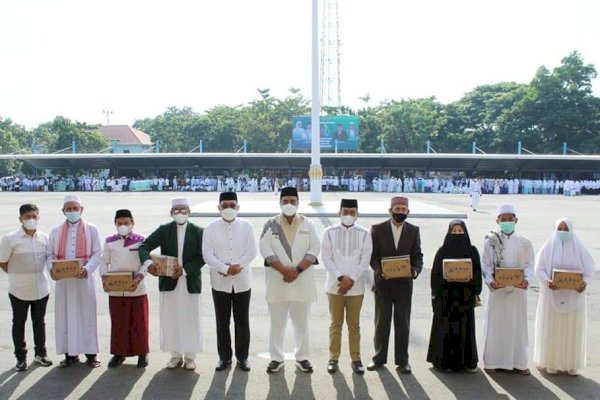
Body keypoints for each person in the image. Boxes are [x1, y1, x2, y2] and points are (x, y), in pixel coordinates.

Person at [259, 186, 320, 374]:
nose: (289, 204)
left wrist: (297, 270)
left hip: (302, 281)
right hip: (278, 280)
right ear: (279, 203)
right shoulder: (270, 224)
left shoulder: (308, 224)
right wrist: (284, 270)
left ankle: (302, 357)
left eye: (293, 201)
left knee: (301, 324)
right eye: (285, 201)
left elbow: (315, 248)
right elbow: (265, 249)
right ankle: (276, 358)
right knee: (277, 323)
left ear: (298, 203)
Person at [138, 198, 204, 370]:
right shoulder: (164, 230)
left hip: (189, 280)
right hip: (169, 281)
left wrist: (185, 270)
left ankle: (190, 357)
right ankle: (175, 355)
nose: (180, 213)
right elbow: (144, 247)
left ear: (189, 211)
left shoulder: (198, 231)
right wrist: (149, 265)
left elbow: (202, 256)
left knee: (190, 318)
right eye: (176, 210)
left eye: (183, 210)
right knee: (171, 318)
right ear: (171, 212)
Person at [533, 218, 596, 376]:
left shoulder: (579, 248)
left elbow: (590, 269)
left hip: (574, 296)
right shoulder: (549, 247)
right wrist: (547, 281)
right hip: (552, 295)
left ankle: (571, 364)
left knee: (572, 330)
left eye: (565, 229)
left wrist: (584, 284)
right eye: (559, 228)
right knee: (553, 329)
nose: (562, 232)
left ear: (571, 230)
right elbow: (539, 268)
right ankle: (551, 362)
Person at [202, 192, 257, 372]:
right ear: (219, 208)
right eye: (224, 205)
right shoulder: (210, 228)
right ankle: (224, 358)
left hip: (242, 282)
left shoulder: (247, 226)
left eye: (232, 205)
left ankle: (243, 358)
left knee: (242, 321)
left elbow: (252, 251)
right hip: (219, 282)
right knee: (222, 322)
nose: (228, 208)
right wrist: (225, 269)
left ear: (238, 207)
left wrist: (237, 266)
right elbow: (207, 255)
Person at [367, 196, 423, 373]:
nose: (400, 212)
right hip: (383, 284)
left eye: (403, 210)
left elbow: (417, 256)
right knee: (381, 323)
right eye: (396, 209)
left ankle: (402, 361)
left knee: (403, 324)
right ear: (389, 210)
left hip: (404, 286)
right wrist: (379, 270)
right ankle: (378, 358)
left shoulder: (414, 230)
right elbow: (373, 256)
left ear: (408, 212)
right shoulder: (377, 229)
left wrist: (414, 271)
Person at [47, 194, 102, 368]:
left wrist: (86, 269)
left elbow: (97, 254)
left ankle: (91, 355)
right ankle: (70, 355)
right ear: (63, 211)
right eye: (68, 209)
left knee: (87, 315)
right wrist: (52, 270)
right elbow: (49, 255)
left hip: (84, 280)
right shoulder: (55, 231)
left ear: (81, 209)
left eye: (75, 208)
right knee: (66, 316)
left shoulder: (93, 229)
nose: (72, 211)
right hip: (64, 282)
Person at [481, 204, 535, 375]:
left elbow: (530, 265)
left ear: (516, 220)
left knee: (517, 325)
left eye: (509, 219)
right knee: (497, 325)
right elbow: (486, 266)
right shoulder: (491, 241)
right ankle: (493, 362)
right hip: (498, 291)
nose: (506, 222)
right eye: (503, 219)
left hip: (518, 291)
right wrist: (490, 281)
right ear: (497, 221)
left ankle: (518, 363)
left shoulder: (525, 242)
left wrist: (526, 280)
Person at [321, 199, 372, 375]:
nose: (348, 215)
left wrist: (351, 280)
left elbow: (365, 261)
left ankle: (356, 359)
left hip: (356, 288)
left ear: (357, 213)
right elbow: (326, 258)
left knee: (354, 324)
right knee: (335, 323)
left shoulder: (365, 233)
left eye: (352, 212)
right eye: (345, 211)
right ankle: (333, 358)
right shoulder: (329, 232)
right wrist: (341, 278)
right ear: (339, 212)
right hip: (334, 286)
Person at [0, 204, 53, 371]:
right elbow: (3, 262)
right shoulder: (10, 239)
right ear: (20, 219)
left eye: (34, 216)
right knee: (19, 323)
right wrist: (19, 274)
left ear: (39, 217)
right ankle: (20, 357)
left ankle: (40, 354)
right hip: (19, 290)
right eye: (27, 217)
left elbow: (49, 259)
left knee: (39, 323)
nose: (31, 219)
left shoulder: (44, 237)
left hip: (41, 288)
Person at [426, 220, 482, 372]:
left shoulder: (472, 250)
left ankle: (467, 362)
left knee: (465, 329)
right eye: (454, 231)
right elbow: (435, 275)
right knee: (446, 328)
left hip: (465, 296)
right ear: (449, 232)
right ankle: (444, 362)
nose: (457, 234)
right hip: (446, 297)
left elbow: (477, 272)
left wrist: (471, 283)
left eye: (460, 231)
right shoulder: (442, 251)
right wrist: (445, 280)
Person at [99, 209, 149, 368]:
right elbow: (103, 262)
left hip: (136, 288)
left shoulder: (141, 240)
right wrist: (105, 279)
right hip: (116, 289)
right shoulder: (109, 241)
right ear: (115, 224)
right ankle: (118, 353)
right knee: (118, 323)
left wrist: (139, 278)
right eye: (119, 223)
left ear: (132, 223)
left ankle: (142, 354)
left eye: (126, 223)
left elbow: (146, 263)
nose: (123, 226)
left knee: (139, 322)